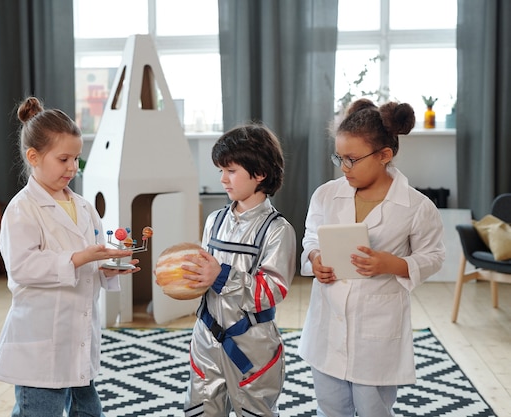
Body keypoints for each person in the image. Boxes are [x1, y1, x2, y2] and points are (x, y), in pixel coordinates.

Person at [0, 96, 140, 417]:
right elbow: (22, 268)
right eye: (63, 159)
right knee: (41, 410)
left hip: (78, 336)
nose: (73, 167)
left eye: (76, 158)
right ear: (34, 157)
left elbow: (90, 262)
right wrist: (78, 257)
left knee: (88, 410)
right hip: (42, 339)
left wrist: (107, 268)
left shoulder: (84, 208)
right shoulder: (22, 210)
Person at [297, 98, 445, 417]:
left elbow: (433, 256)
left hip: (376, 329)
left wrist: (391, 264)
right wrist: (315, 258)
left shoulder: (417, 207)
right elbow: (311, 236)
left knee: (372, 407)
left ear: (384, 156)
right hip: (328, 320)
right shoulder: (325, 194)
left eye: (352, 159)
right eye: (339, 158)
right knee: (330, 405)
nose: (343, 168)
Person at [181, 123, 297, 416]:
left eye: (230, 171)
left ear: (260, 173)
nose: (222, 179)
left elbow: (272, 291)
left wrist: (220, 275)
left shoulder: (277, 230)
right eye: (221, 170)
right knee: (200, 410)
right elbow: (203, 274)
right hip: (206, 339)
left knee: (254, 411)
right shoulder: (215, 221)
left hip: (252, 348)